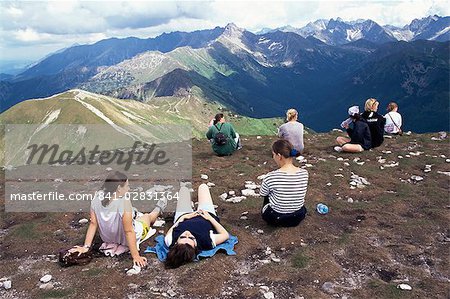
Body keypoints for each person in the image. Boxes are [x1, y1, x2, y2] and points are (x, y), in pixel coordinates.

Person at [69, 171, 166, 267]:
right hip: (125, 238)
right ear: (119, 188)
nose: (128, 188)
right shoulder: (124, 202)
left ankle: (135, 213)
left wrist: (86, 247)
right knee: (147, 217)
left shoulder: (97, 196)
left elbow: (93, 223)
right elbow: (129, 231)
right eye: (127, 186)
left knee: (133, 215)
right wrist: (136, 256)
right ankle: (158, 208)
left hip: (107, 238)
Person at [164, 184, 230, 268]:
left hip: (184, 215)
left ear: (176, 242)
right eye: (191, 238)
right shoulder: (206, 241)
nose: (187, 234)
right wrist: (209, 218)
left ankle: (189, 206)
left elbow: (172, 229)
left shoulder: (170, 240)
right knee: (203, 187)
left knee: (184, 190)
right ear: (195, 245)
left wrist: (183, 218)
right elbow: (225, 235)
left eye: (183, 237)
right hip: (206, 213)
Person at [259, 139, 308, 227]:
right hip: (298, 216)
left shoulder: (271, 176)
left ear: (279, 156)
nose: (273, 157)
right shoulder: (304, 173)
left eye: (273, 155)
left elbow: (262, 194)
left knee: (268, 194)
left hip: (276, 219)